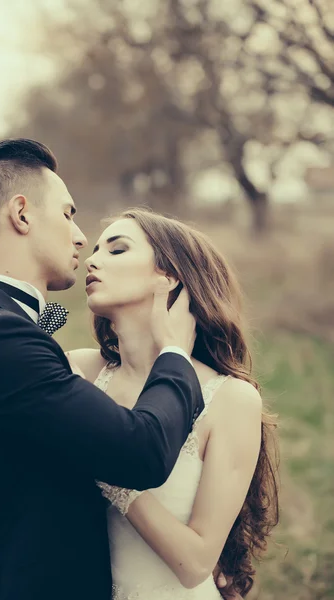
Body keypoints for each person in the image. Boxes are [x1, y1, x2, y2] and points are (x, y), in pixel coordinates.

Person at [0, 139, 207, 600]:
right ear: (21, 214)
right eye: (67, 214)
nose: (80, 238)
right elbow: (141, 452)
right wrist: (174, 351)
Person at [67, 209, 280, 599]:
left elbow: (197, 563)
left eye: (117, 250)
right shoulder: (80, 369)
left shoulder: (231, 398)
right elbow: (15, 356)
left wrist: (112, 478)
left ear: (168, 277)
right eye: (95, 250)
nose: (93, 260)